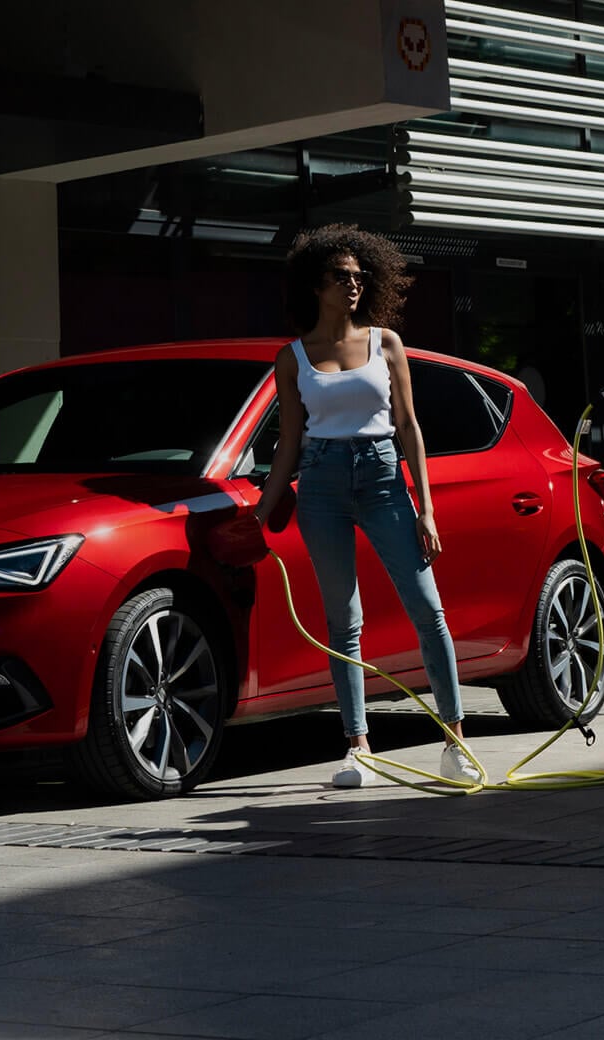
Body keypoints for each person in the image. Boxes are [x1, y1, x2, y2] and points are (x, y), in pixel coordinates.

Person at [249, 225, 479, 789]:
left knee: (428, 610)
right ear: (315, 285)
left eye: (359, 276)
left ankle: (455, 741)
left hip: (382, 477)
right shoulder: (293, 357)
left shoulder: (386, 343)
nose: (352, 284)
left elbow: (408, 426)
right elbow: (288, 443)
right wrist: (259, 513)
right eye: (340, 276)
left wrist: (425, 506)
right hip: (321, 484)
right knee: (342, 621)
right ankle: (359, 748)